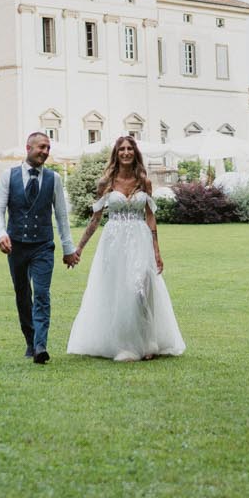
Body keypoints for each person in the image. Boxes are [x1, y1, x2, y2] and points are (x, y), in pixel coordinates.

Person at [66, 134, 183, 361]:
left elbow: (150, 217)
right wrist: (79, 248)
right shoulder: (106, 183)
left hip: (140, 240)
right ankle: (124, 345)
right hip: (114, 242)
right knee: (120, 292)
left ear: (135, 153)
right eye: (122, 149)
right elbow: (95, 219)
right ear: (116, 154)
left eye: (130, 149)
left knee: (142, 288)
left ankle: (147, 341)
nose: (126, 152)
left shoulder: (144, 182)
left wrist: (157, 251)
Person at [0, 131, 78, 363]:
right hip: (16, 246)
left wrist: (68, 248)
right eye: (42, 147)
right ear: (28, 148)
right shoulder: (9, 176)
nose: (46, 152)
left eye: (48, 148)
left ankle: (40, 345)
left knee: (41, 294)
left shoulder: (54, 179)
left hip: (43, 246)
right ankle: (30, 340)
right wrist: (1, 233)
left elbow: (61, 216)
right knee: (22, 294)